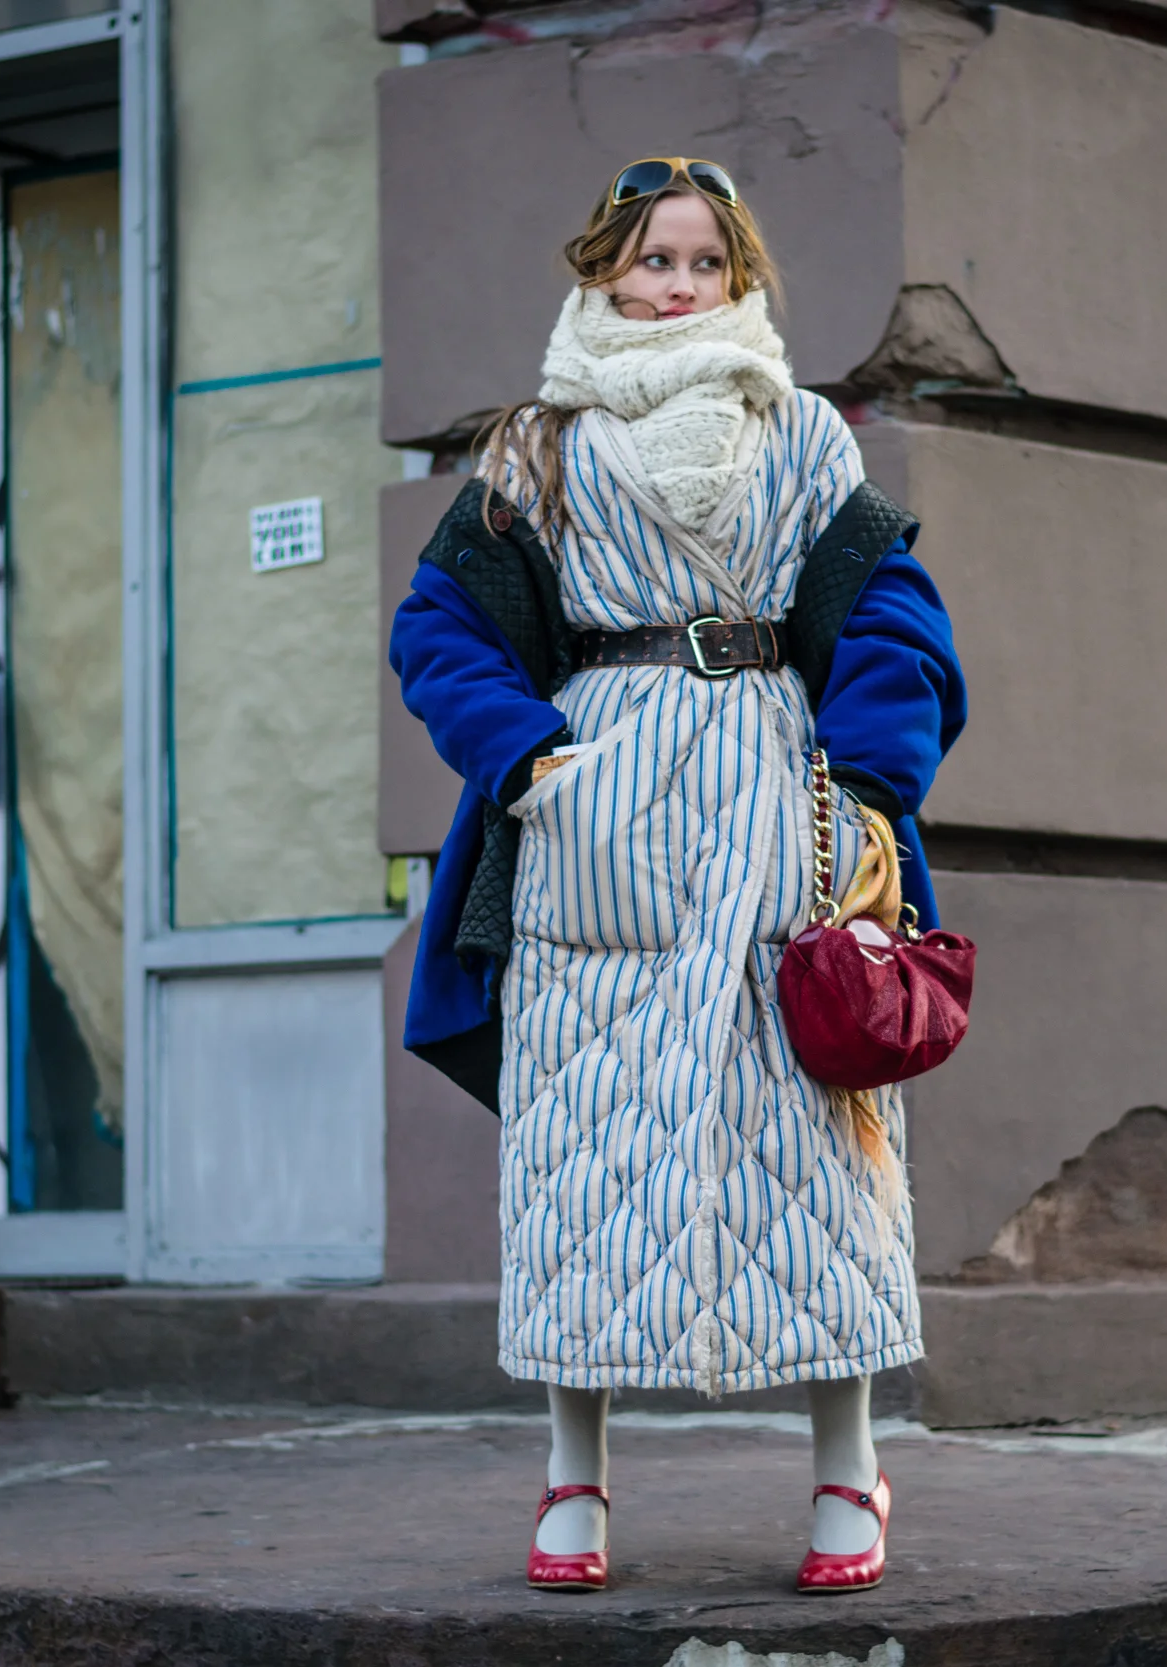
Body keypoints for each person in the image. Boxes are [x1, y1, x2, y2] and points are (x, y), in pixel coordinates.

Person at [389, 156, 967, 1595]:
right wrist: (525, 756)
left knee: (817, 1136)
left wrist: (871, 785)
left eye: (706, 262)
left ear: (742, 276)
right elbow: (438, 629)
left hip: (785, 802)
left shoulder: (806, 437)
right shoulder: (535, 447)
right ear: (599, 271)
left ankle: (849, 1462)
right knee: (582, 1153)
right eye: (651, 259)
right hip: (592, 812)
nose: (678, 284)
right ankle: (571, 1472)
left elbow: (894, 611)